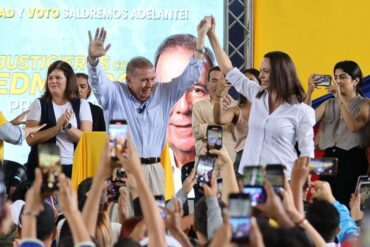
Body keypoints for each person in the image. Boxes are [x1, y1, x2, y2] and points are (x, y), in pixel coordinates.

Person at [86, 23, 209, 195]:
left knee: (155, 220)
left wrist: (201, 40)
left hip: (154, 170)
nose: (149, 85)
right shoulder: (114, 93)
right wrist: (93, 61)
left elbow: (190, 76)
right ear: (128, 80)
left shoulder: (164, 92)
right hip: (122, 171)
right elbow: (97, 82)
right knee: (122, 220)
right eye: (144, 80)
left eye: (152, 79)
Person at [205, 15, 315, 176]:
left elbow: (307, 154)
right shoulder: (256, 94)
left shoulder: (302, 111)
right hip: (249, 177)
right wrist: (211, 34)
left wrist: (303, 186)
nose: (261, 75)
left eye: (266, 71)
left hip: (280, 182)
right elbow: (229, 69)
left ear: (281, 74)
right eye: (261, 70)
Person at [305, 60, 370, 207]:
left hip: (352, 157)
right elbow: (305, 121)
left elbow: (354, 126)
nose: (338, 81)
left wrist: (340, 99)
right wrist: (309, 90)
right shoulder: (328, 103)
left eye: (343, 77)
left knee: (348, 203)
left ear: (356, 81)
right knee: (321, 202)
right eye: (335, 77)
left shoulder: (365, 104)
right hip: (326, 156)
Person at [154, 34, 215, 191]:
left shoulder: (230, 165)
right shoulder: (143, 169)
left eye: (196, 90)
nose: (183, 107)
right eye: (170, 90)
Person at [25, 60, 92, 180]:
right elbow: (30, 139)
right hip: (44, 165)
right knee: (47, 198)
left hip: (74, 166)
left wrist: (67, 127)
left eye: (58, 78)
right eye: (50, 78)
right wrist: (56, 128)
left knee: (72, 198)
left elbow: (86, 140)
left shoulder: (82, 104)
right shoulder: (38, 104)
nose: (53, 81)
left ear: (68, 80)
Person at [213, 68, 261, 174]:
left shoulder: (270, 108)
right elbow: (219, 119)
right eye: (244, 81)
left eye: (251, 80)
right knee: (244, 191)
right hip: (243, 158)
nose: (247, 84)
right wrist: (218, 95)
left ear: (259, 83)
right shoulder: (237, 110)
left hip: (264, 159)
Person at [192, 66, 237, 162]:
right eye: (214, 81)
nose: (219, 85)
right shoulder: (199, 106)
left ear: (228, 84)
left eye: (222, 81)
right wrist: (218, 121)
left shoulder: (236, 106)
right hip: (206, 164)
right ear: (207, 84)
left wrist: (230, 116)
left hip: (231, 164)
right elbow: (196, 132)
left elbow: (240, 137)